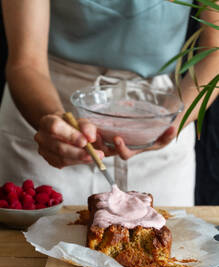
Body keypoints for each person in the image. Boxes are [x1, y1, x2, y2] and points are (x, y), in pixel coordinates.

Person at [0, 0, 218, 206]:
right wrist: (53, 121)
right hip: (54, 108)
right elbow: (25, 62)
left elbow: (215, 52)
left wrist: (169, 122)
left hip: (161, 109)